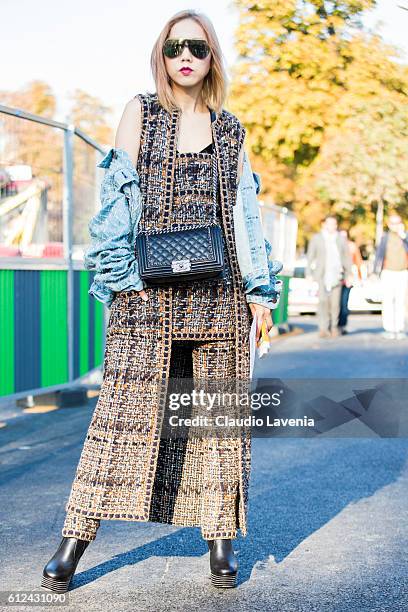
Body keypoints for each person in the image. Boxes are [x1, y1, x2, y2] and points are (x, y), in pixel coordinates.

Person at [41, 9, 282, 593]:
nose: (185, 57)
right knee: (119, 420)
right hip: (146, 295)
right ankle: (73, 543)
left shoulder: (231, 130)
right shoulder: (139, 113)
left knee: (218, 424)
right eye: (174, 47)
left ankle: (221, 541)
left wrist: (259, 293)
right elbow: (117, 204)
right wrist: (120, 282)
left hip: (217, 294)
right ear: (161, 55)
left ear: (211, 58)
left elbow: (245, 218)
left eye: (197, 48)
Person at [306, 216, 353, 338]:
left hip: (337, 275)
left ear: (336, 226)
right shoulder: (317, 238)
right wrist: (309, 274)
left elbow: (346, 258)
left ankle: (334, 327)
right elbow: (310, 257)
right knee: (322, 302)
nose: (331, 227)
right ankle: (323, 328)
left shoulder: (341, 239)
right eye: (329, 224)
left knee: (335, 304)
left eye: (334, 224)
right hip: (321, 276)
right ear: (324, 225)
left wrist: (349, 274)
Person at [373, 213, 408, 339]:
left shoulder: (405, 236)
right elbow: (379, 255)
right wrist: (375, 271)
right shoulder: (385, 237)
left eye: (397, 223)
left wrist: (404, 236)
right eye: (393, 223)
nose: (395, 226)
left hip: (402, 272)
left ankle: (399, 328)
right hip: (388, 272)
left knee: (400, 301)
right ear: (389, 224)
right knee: (388, 301)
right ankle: (389, 328)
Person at [338, 229, 363, 334]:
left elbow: (358, 262)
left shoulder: (351, 247)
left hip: (347, 279)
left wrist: (360, 278)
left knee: (344, 304)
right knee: (334, 304)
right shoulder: (334, 246)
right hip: (335, 279)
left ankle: (342, 325)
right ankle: (333, 325)